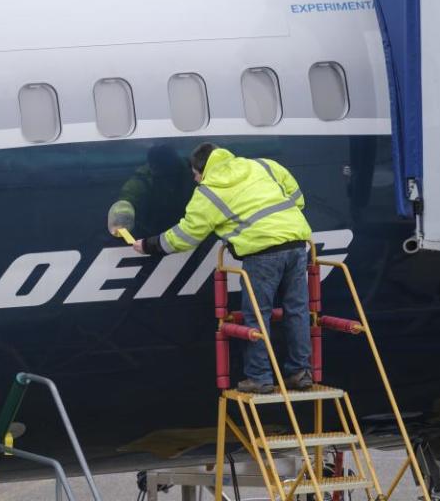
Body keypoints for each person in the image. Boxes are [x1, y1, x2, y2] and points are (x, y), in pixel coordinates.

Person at [133, 143, 314, 394]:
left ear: (202, 169)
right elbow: (296, 198)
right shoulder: (263, 165)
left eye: (196, 175)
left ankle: (260, 378)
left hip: (261, 254)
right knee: (297, 310)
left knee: (257, 316)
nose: (195, 181)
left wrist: (149, 245)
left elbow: (186, 236)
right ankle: (301, 372)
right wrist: (282, 225)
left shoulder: (208, 192)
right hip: (297, 245)